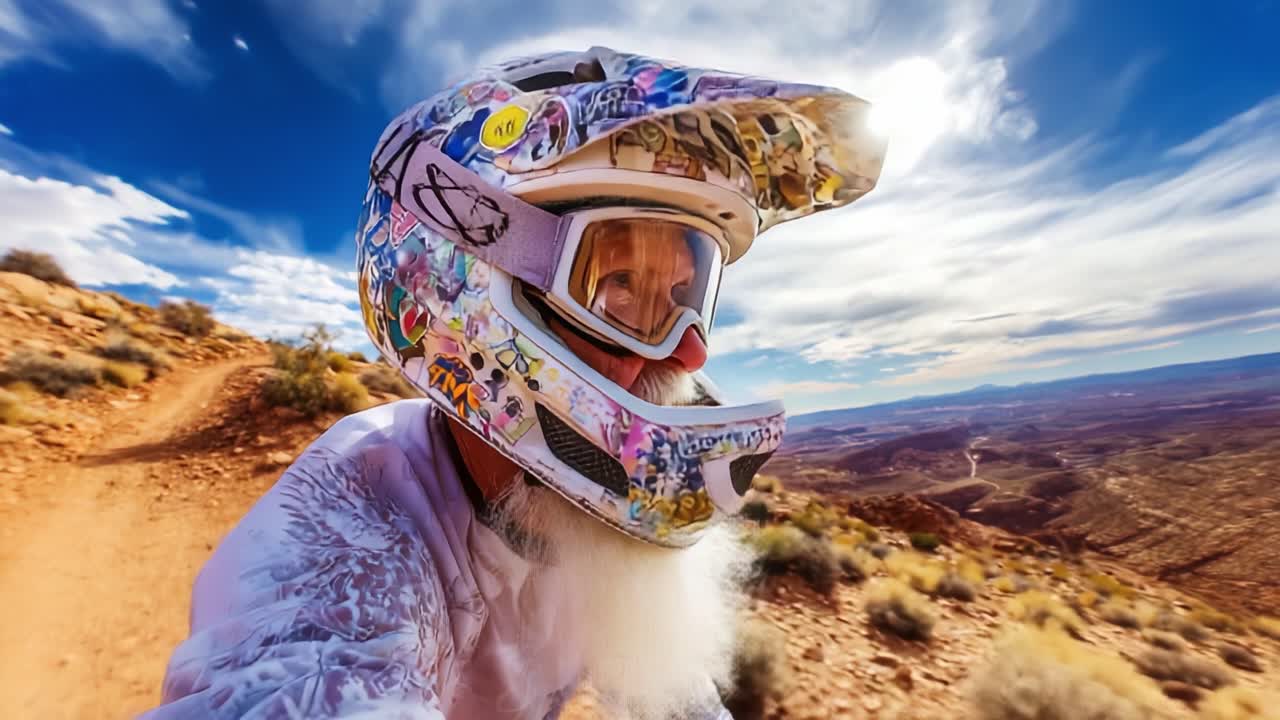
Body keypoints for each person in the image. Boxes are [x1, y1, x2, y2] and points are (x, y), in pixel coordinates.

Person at [142, 47, 885, 720]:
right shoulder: (345, 542)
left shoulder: (577, 500)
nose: (685, 355)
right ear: (465, 280)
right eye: (620, 283)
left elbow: (668, 691)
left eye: (686, 300)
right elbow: (289, 684)